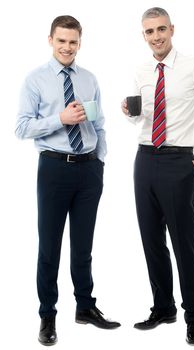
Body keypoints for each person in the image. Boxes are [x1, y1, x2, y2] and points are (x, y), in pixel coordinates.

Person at [16, 15, 120, 346]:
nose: (67, 47)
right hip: (54, 169)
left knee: (83, 246)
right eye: (61, 40)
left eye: (73, 41)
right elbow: (21, 127)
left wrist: (100, 160)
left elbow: (99, 123)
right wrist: (59, 119)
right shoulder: (35, 80)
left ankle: (85, 307)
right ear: (50, 40)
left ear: (80, 42)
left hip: (89, 170)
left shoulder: (89, 79)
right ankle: (47, 315)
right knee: (49, 247)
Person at [121, 7, 194, 345]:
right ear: (144, 36)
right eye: (150, 32)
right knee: (151, 241)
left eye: (161, 29)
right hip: (144, 159)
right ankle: (163, 307)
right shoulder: (141, 70)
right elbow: (141, 119)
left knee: (184, 244)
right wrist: (129, 113)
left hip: (180, 162)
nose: (156, 36)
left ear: (172, 29)